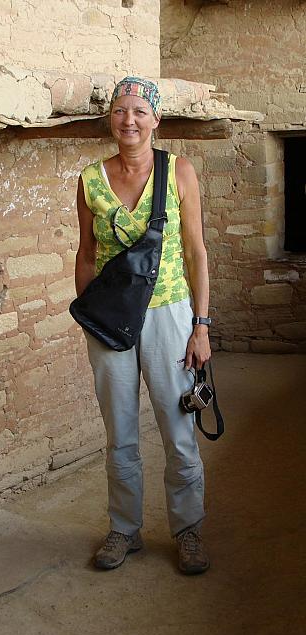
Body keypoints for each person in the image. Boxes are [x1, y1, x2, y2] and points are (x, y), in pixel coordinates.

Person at [75, 77, 211, 575]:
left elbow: (196, 252)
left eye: (138, 111)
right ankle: (124, 528)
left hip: (170, 311)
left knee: (177, 428)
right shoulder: (91, 178)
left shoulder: (178, 172)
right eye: (119, 111)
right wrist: (88, 314)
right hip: (111, 317)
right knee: (121, 431)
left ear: (156, 120)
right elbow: (87, 254)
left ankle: (188, 528)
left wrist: (201, 325)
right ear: (110, 119)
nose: (128, 120)